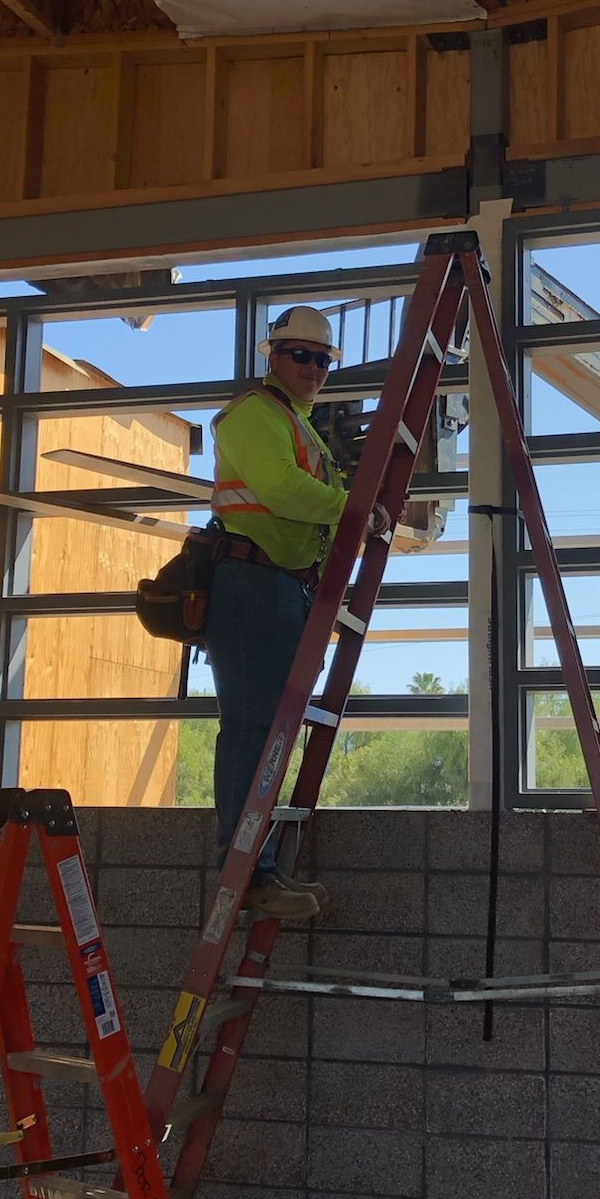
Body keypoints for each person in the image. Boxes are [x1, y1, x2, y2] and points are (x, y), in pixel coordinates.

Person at [204, 304, 389, 919]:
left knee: (267, 730)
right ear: (273, 358)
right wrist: (353, 506)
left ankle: (259, 868)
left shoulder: (299, 426)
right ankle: (248, 872)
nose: (313, 367)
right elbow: (282, 490)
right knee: (255, 729)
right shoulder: (254, 415)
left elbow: (306, 500)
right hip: (253, 582)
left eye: (322, 359)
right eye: (300, 356)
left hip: (279, 586)